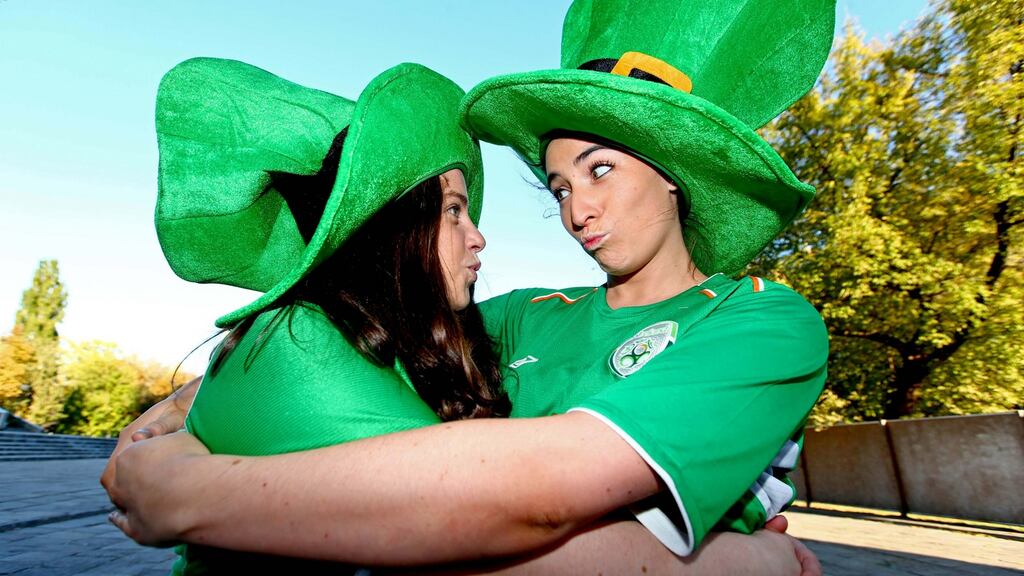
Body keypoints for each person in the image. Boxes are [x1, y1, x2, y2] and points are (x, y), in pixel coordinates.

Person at [105, 0, 834, 572]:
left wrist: (191, 493)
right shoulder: (524, 317)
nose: (576, 210)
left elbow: (547, 487)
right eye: (558, 186)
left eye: (600, 169)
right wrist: (189, 401)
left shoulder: (764, 324)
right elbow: (370, 338)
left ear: (674, 173)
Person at [147, 57, 508, 574]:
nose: (477, 236)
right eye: (453, 209)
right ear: (389, 225)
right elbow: (478, 508)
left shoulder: (359, 340)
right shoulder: (294, 338)